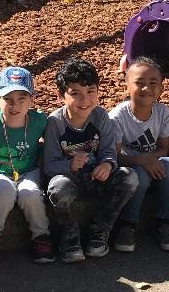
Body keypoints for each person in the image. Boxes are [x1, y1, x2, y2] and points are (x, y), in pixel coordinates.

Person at [43, 58, 138, 263]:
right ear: (61, 95)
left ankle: (100, 228)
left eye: (90, 91)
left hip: (97, 177)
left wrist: (107, 164)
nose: (84, 100)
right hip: (71, 178)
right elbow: (49, 165)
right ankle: (70, 234)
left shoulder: (101, 117)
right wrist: (69, 165)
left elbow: (109, 151)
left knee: (129, 178)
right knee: (58, 188)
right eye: (75, 93)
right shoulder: (55, 123)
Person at [0, 66, 54, 271]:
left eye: (22, 98)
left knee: (29, 193)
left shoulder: (39, 120)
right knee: (4, 192)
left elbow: (53, 138)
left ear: (31, 99)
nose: (15, 105)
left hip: (29, 171)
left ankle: (41, 236)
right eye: (8, 99)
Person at [109, 57, 169, 253]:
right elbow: (114, 156)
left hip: (154, 165)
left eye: (152, 83)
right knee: (139, 174)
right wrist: (142, 160)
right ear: (126, 85)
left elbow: (164, 148)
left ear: (161, 88)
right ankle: (128, 224)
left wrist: (150, 160)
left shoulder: (163, 113)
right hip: (129, 168)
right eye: (139, 83)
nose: (146, 89)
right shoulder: (117, 117)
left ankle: (164, 221)